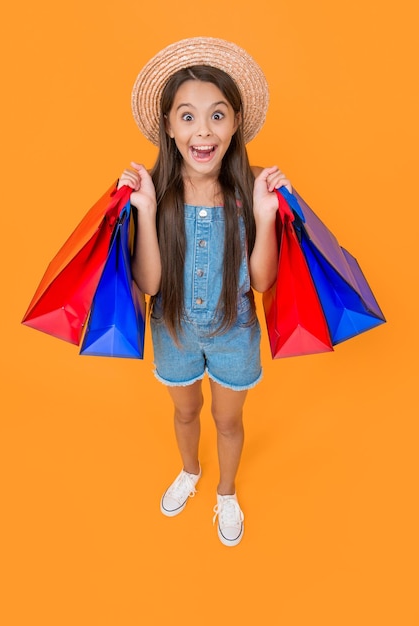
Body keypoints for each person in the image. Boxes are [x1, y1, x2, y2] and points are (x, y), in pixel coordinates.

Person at [118, 37, 291, 547]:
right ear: (169, 129)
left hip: (235, 333)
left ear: (235, 123)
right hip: (172, 331)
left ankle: (227, 492)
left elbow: (260, 282)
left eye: (217, 115)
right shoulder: (158, 196)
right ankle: (191, 471)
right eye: (187, 116)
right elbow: (149, 284)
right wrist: (145, 213)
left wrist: (265, 214)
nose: (203, 130)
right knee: (186, 412)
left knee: (227, 419)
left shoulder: (247, 194)